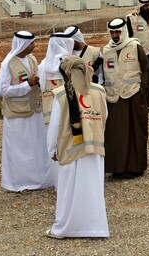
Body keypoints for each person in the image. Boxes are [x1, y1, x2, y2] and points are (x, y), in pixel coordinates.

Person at [45, 56, 109, 239]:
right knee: (93, 188)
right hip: (95, 148)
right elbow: (105, 116)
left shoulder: (61, 94)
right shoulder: (99, 91)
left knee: (69, 192)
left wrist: (51, 149)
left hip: (71, 150)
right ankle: (96, 228)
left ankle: (65, 228)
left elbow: (55, 126)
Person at [0, 31, 55, 192]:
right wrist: (27, 84)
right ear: (22, 45)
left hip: (35, 111)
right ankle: (20, 184)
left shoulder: (32, 60)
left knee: (37, 146)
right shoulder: (8, 64)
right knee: (20, 150)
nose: (34, 46)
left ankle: (40, 179)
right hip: (17, 115)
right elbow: (4, 90)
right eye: (31, 44)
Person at [102, 18, 149, 179]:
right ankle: (118, 167)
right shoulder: (106, 50)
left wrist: (142, 92)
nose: (115, 35)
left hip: (133, 95)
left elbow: (146, 70)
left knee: (135, 132)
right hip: (114, 98)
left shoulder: (134, 46)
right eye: (112, 32)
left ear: (123, 31)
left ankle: (135, 167)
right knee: (116, 134)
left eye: (118, 31)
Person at [38, 33, 74, 125]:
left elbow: (41, 87)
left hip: (49, 113)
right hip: (68, 111)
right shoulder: (70, 64)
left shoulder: (43, 65)